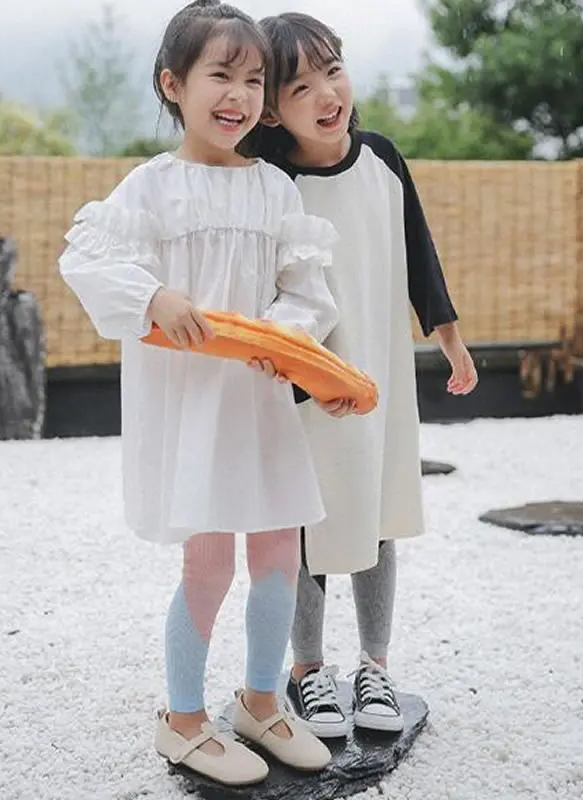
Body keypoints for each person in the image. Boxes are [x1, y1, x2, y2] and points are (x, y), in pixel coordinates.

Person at [58, 0, 340, 786]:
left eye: (254, 80)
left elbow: (307, 289)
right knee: (208, 561)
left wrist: (283, 334)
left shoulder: (275, 191)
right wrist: (153, 296)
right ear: (173, 84)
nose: (239, 95)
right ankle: (182, 719)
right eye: (221, 75)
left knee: (279, 551)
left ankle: (260, 702)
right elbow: (88, 261)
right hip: (191, 407)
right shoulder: (151, 187)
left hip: (260, 399)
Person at [244, 12, 478, 738]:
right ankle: (307, 671)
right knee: (309, 521)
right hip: (306, 385)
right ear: (272, 112)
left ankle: (375, 664)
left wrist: (452, 341)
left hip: (382, 372)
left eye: (333, 71)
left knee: (377, 510)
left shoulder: (382, 159)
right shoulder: (274, 184)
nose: (326, 94)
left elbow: (419, 254)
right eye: (300, 87)